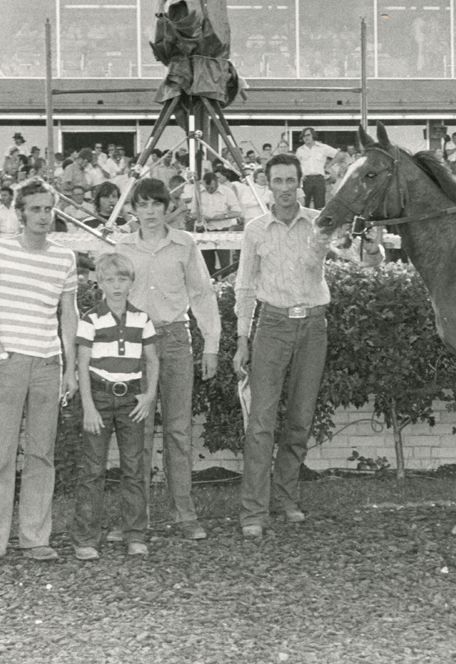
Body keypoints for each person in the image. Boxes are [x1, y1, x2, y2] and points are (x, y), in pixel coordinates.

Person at [0, 179, 79, 570]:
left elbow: (69, 314)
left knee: (41, 454)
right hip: (9, 364)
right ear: (20, 213)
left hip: (48, 365)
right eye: (35, 209)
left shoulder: (63, 258)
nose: (43, 216)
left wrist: (69, 367)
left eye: (48, 208)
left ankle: (35, 538)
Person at [234, 152, 332, 538]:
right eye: (278, 181)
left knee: (300, 418)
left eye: (291, 181)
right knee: (260, 422)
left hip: (313, 326)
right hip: (271, 325)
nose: (286, 189)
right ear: (268, 185)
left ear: (300, 184)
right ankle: (253, 511)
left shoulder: (320, 224)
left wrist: (372, 244)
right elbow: (244, 286)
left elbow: (362, 258)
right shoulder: (256, 229)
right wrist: (242, 340)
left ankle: (285, 498)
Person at [116, 178, 220, 540]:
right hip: (135, 344)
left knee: (178, 431)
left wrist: (211, 344)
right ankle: (135, 519)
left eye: (155, 205)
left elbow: (203, 294)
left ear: (165, 208)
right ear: (134, 209)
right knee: (137, 432)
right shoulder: (123, 246)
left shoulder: (184, 244)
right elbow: (113, 299)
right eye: (141, 205)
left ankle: (184, 514)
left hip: (176, 339)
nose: (148, 213)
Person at [72, 252, 159, 560]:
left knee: (134, 468)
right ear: (99, 282)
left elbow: (152, 359)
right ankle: (86, 538)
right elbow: (82, 365)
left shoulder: (141, 319)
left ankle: (135, 533)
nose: (117, 285)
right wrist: (88, 407)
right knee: (93, 469)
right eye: (109, 279)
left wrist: (148, 396)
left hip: (131, 400)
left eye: (123, 279)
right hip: (99, 397)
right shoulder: (91, 319)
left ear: (131, 282)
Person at [296, 127, 337, 210]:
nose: (306, 137)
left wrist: (328, 167)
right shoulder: (300, 150)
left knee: (320, 205)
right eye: (304, 136)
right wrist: (300, 175)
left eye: (308, 135)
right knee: (304, 205)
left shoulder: (323, 147)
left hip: (319, 179)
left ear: (313, 135)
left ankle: (318, 223)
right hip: (305, 180)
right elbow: (296, 165)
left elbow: (338, 154)